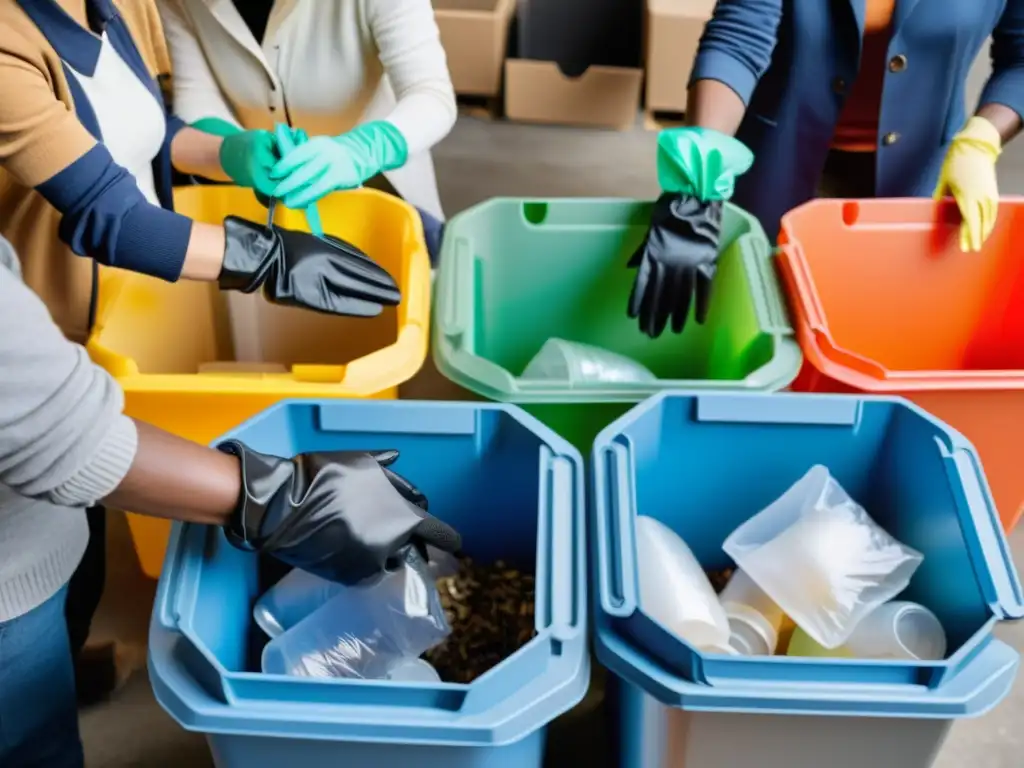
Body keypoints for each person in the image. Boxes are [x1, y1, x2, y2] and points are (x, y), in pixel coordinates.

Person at [0, 0, 404, 705]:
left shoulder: (120, 5)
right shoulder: (8, 41)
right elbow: (106, 211)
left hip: (114, 310)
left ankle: (59, 662)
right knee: (52, 507)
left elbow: (150, 128)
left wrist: (229, 152)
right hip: (42, 322)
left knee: (81, 541)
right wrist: (262, 256)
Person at [0, 235, 460, 767]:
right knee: (31, 745)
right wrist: (275, 498)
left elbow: (67, 169)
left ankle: (61, 667)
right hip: (9, 569)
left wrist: (247, 252)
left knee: (64, 623)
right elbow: (55, 432)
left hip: (36, 522)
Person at [685, 0, 1024, 250]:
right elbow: (739, 37)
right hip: (779, 159)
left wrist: (981, 139)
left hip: (915, 178)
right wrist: (703, 164)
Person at [157, 0, 458, 261]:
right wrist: (236, 149)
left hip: (383, 193)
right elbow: (196, 94)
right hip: (266, 201)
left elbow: (431, 95)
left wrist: (361, 150)